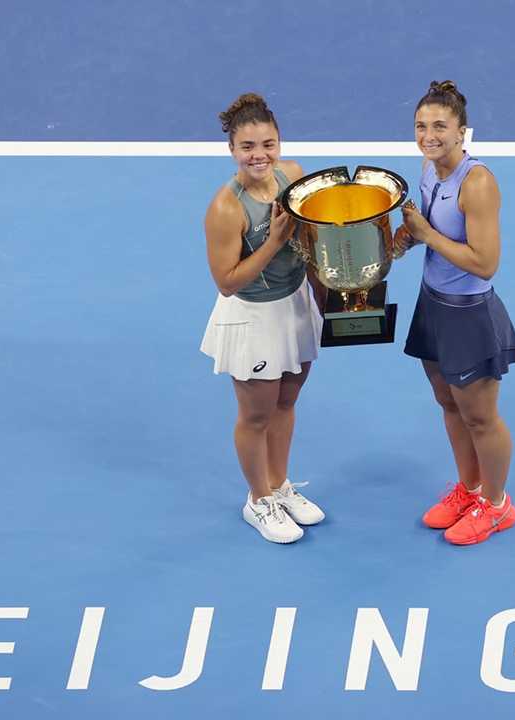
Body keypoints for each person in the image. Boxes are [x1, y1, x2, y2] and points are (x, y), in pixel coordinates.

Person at [393, 80, 515, 545]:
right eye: (420, 126)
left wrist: (426, 234)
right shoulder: (428, 170)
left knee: (481, 417)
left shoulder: (478, 183)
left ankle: (497, 506)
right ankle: (470, 490)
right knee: (448, 403)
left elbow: (485, 263)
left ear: (462, 132)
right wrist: (403, 241)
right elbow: (429, 231)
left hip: (468, 314)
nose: (429, 136)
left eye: (440, 127)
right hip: (432, 304)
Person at [200, 93, 325, 544]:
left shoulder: (292, 175)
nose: (260, 155)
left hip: (295, 306)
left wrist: (330, 297)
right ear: (232, 150)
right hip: (252, 318)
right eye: (248, 147)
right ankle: (258, 501)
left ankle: (278, 484)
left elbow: (309, 242)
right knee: (256, 416)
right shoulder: (225, 208)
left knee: (286, 402)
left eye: (268, 144)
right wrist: (272, 241)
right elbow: (227, 282)